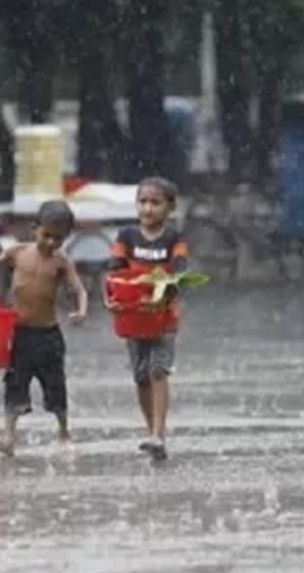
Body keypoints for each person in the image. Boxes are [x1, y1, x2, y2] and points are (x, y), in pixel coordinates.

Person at [0, 200, 89, 456]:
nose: (51, 243)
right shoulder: (17, 252)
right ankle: (8, 435)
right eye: (47, 236)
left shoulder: (62, 262)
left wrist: (81, 311)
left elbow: (79, 289)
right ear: (34, 228)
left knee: (55, 385)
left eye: (58, 239)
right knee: (15, 382)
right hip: (20, 334)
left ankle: (63, 431)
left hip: (48, 334)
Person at [105, 176, 188, 461]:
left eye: (155, 202)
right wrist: (112, 299)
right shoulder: (126, 237)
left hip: (164, 314)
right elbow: (115, 273)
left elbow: (179, 274)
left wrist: (162, 297)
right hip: (134, 316)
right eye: (143, 201)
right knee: (140, 376)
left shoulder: (174, 239)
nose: (148, 208)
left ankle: (159, 435)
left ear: (170, 208)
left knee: (157, 370)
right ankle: (150, 430)